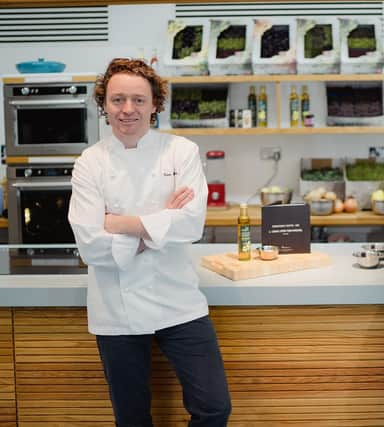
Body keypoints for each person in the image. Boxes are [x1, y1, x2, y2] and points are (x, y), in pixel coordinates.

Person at [68, 58, 231, 426]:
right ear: (104, 104)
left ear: (156, 104)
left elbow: (190, 225)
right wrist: (157, 227)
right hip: (116, 310)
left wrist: (119, 223)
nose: (128, 110)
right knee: (133, 419)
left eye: (139, 100)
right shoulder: (89, 163)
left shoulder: (181, 151)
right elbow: (91, 246)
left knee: (214, 408)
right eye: (118, 100)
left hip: (179, 302)